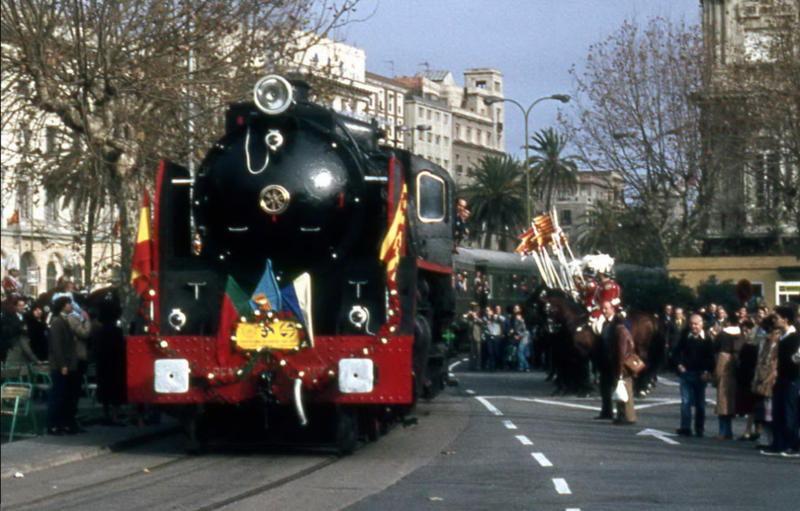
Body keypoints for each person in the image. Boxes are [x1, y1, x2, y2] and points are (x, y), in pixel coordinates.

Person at [47, 296, 91, 435]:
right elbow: (57, 346)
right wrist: (62, 365)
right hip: (61, 364)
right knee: (58, 395)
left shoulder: (64, 319)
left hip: (68, 362)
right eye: (68, 304)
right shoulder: (57, 322)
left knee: (66, 395)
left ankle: (63, 423)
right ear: (61, 306)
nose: (70, 306)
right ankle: (53, 425)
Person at [761, 306, 800, 458]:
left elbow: (797, 359)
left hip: (791, 379)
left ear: (785, 320)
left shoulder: (795, 337)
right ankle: (779, 443)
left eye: (776, 318)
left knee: (789, 413)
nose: (774, 320)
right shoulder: (781, 337)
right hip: (780, 378)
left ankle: (794, 445)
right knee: (778, 412)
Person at [673, 314, 715, 437]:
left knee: (700, 403)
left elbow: (711, 359)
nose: (693, 326)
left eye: (696, 324)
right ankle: (685, 427)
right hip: (686, 374)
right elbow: (676, 353)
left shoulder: (707, 339)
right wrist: (679, 365)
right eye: (691, 324)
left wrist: (707, 372)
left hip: (700, 374)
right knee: (685, 402)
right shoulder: (685, 337)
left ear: (702, 324)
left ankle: (699, 428)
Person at [594, 301, 636, 424]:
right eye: (603, 308)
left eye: (607, 308)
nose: (604, 311)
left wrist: (620, 364)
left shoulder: (619, 327)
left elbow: (622, 346)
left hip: (617, 360)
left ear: (613, 310)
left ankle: (626, 416)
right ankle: (609, 412)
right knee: (608, 386)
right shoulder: (606, 324)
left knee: (622, 387)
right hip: (608, 360)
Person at [93, 298, 127, 426]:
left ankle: (106, 414)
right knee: (115, 390)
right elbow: (120, 348)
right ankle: (115, 415)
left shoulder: (99, 331)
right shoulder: (117, 331)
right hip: (115, 364)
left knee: (105, 389)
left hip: (102, 364)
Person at [751, 314, 779, 450]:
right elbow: (752, 341)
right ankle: (765, 439)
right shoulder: (764, 339)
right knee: (763, 411)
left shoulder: (777, 340)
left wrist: (767, 375)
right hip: (762, 378)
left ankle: (772, 439)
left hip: (771, 379)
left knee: (771, 412)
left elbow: (772, 361)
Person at [713, 316, 741, 440]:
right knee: (731, 405)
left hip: (725, 376)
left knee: (723, 405)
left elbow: (719, 370)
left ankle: (723, 431)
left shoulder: (722, 337)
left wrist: (714, 378)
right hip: (736, 374)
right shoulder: (740, 335)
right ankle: (728, 431)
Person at [735, 319, 760, 441]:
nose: (745, 332)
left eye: (748, 330)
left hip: (752, 377)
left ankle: (749, 430)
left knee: (753, 405)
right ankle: (755, 429)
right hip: (746, 377)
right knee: (752, 405)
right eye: (743, 330)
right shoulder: (746, 344)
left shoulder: (753, 346)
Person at [5, 298, 43, 367]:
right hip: (15, 348)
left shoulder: (27, 317)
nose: (22, 307)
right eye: (20, 305)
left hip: (25, 353)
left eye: (23, 305)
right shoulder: (9, 317)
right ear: (15, 306)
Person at [512, 304, 531, 372]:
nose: (517, 317)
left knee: (520, 352)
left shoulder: (522, 322)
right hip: (520, 338)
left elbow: (525, 331)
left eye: (518, 316)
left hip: (524, 339)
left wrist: (519, 336)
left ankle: (523, 367)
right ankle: (525, 366)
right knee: (520, 353)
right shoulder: (516, 321)